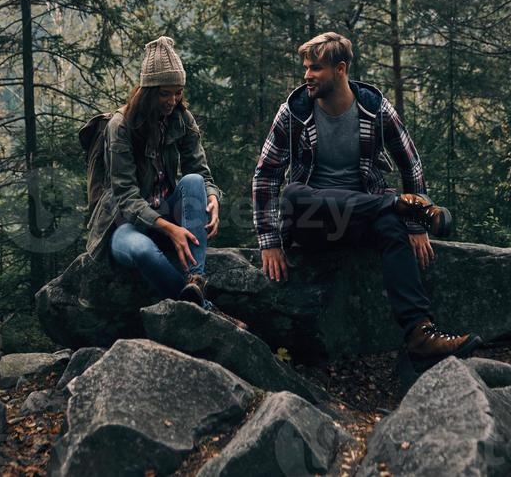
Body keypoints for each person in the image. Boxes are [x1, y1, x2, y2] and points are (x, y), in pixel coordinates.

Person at [252, 31, 481, 367]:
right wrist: (269, 242)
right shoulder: (294, 111)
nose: (307, 75)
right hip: (314, 223)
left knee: (392, 224)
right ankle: (397, 204)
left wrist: (416, 227)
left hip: (361, 219)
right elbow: (266, 176)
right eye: (306, 67)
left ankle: (420, 333)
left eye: (315, 68)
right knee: (294, 194)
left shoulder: (374, 108)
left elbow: (410, 162)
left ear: (340, 69)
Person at [86, 35, 220, 309]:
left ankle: (196, 279)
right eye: (165, 93)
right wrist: (171, 229)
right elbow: (126, 196)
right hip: (126, 226)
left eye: (178, 92)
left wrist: (212, 196)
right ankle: (202, 308)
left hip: (166, 212)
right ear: (148, 91)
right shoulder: (120, 126)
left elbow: (199, 171)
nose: (173, 100)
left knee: (193, 181)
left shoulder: (181, 119)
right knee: (141, 250)